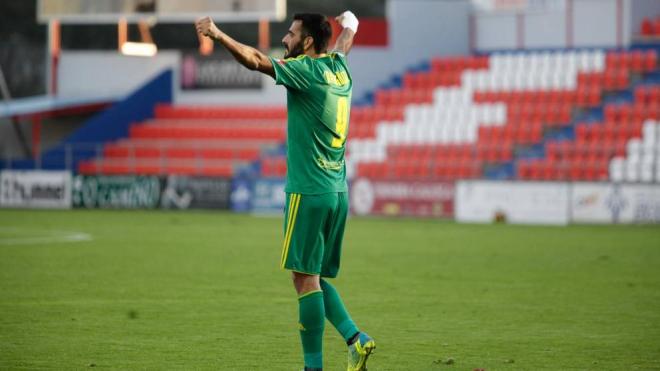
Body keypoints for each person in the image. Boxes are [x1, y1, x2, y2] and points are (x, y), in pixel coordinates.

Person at [195, 10, 375, 371]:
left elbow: (257, 60)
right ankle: (357, 339)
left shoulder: (305, 72)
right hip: (337, 192)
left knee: (303, 279)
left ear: (308, 41)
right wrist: (351, 22)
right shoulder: (340, 67)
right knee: (314, 276)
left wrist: (216, 34)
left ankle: (314, 367)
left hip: (308, 191)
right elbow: (345, 42)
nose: (285, 40)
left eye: (291, 34)